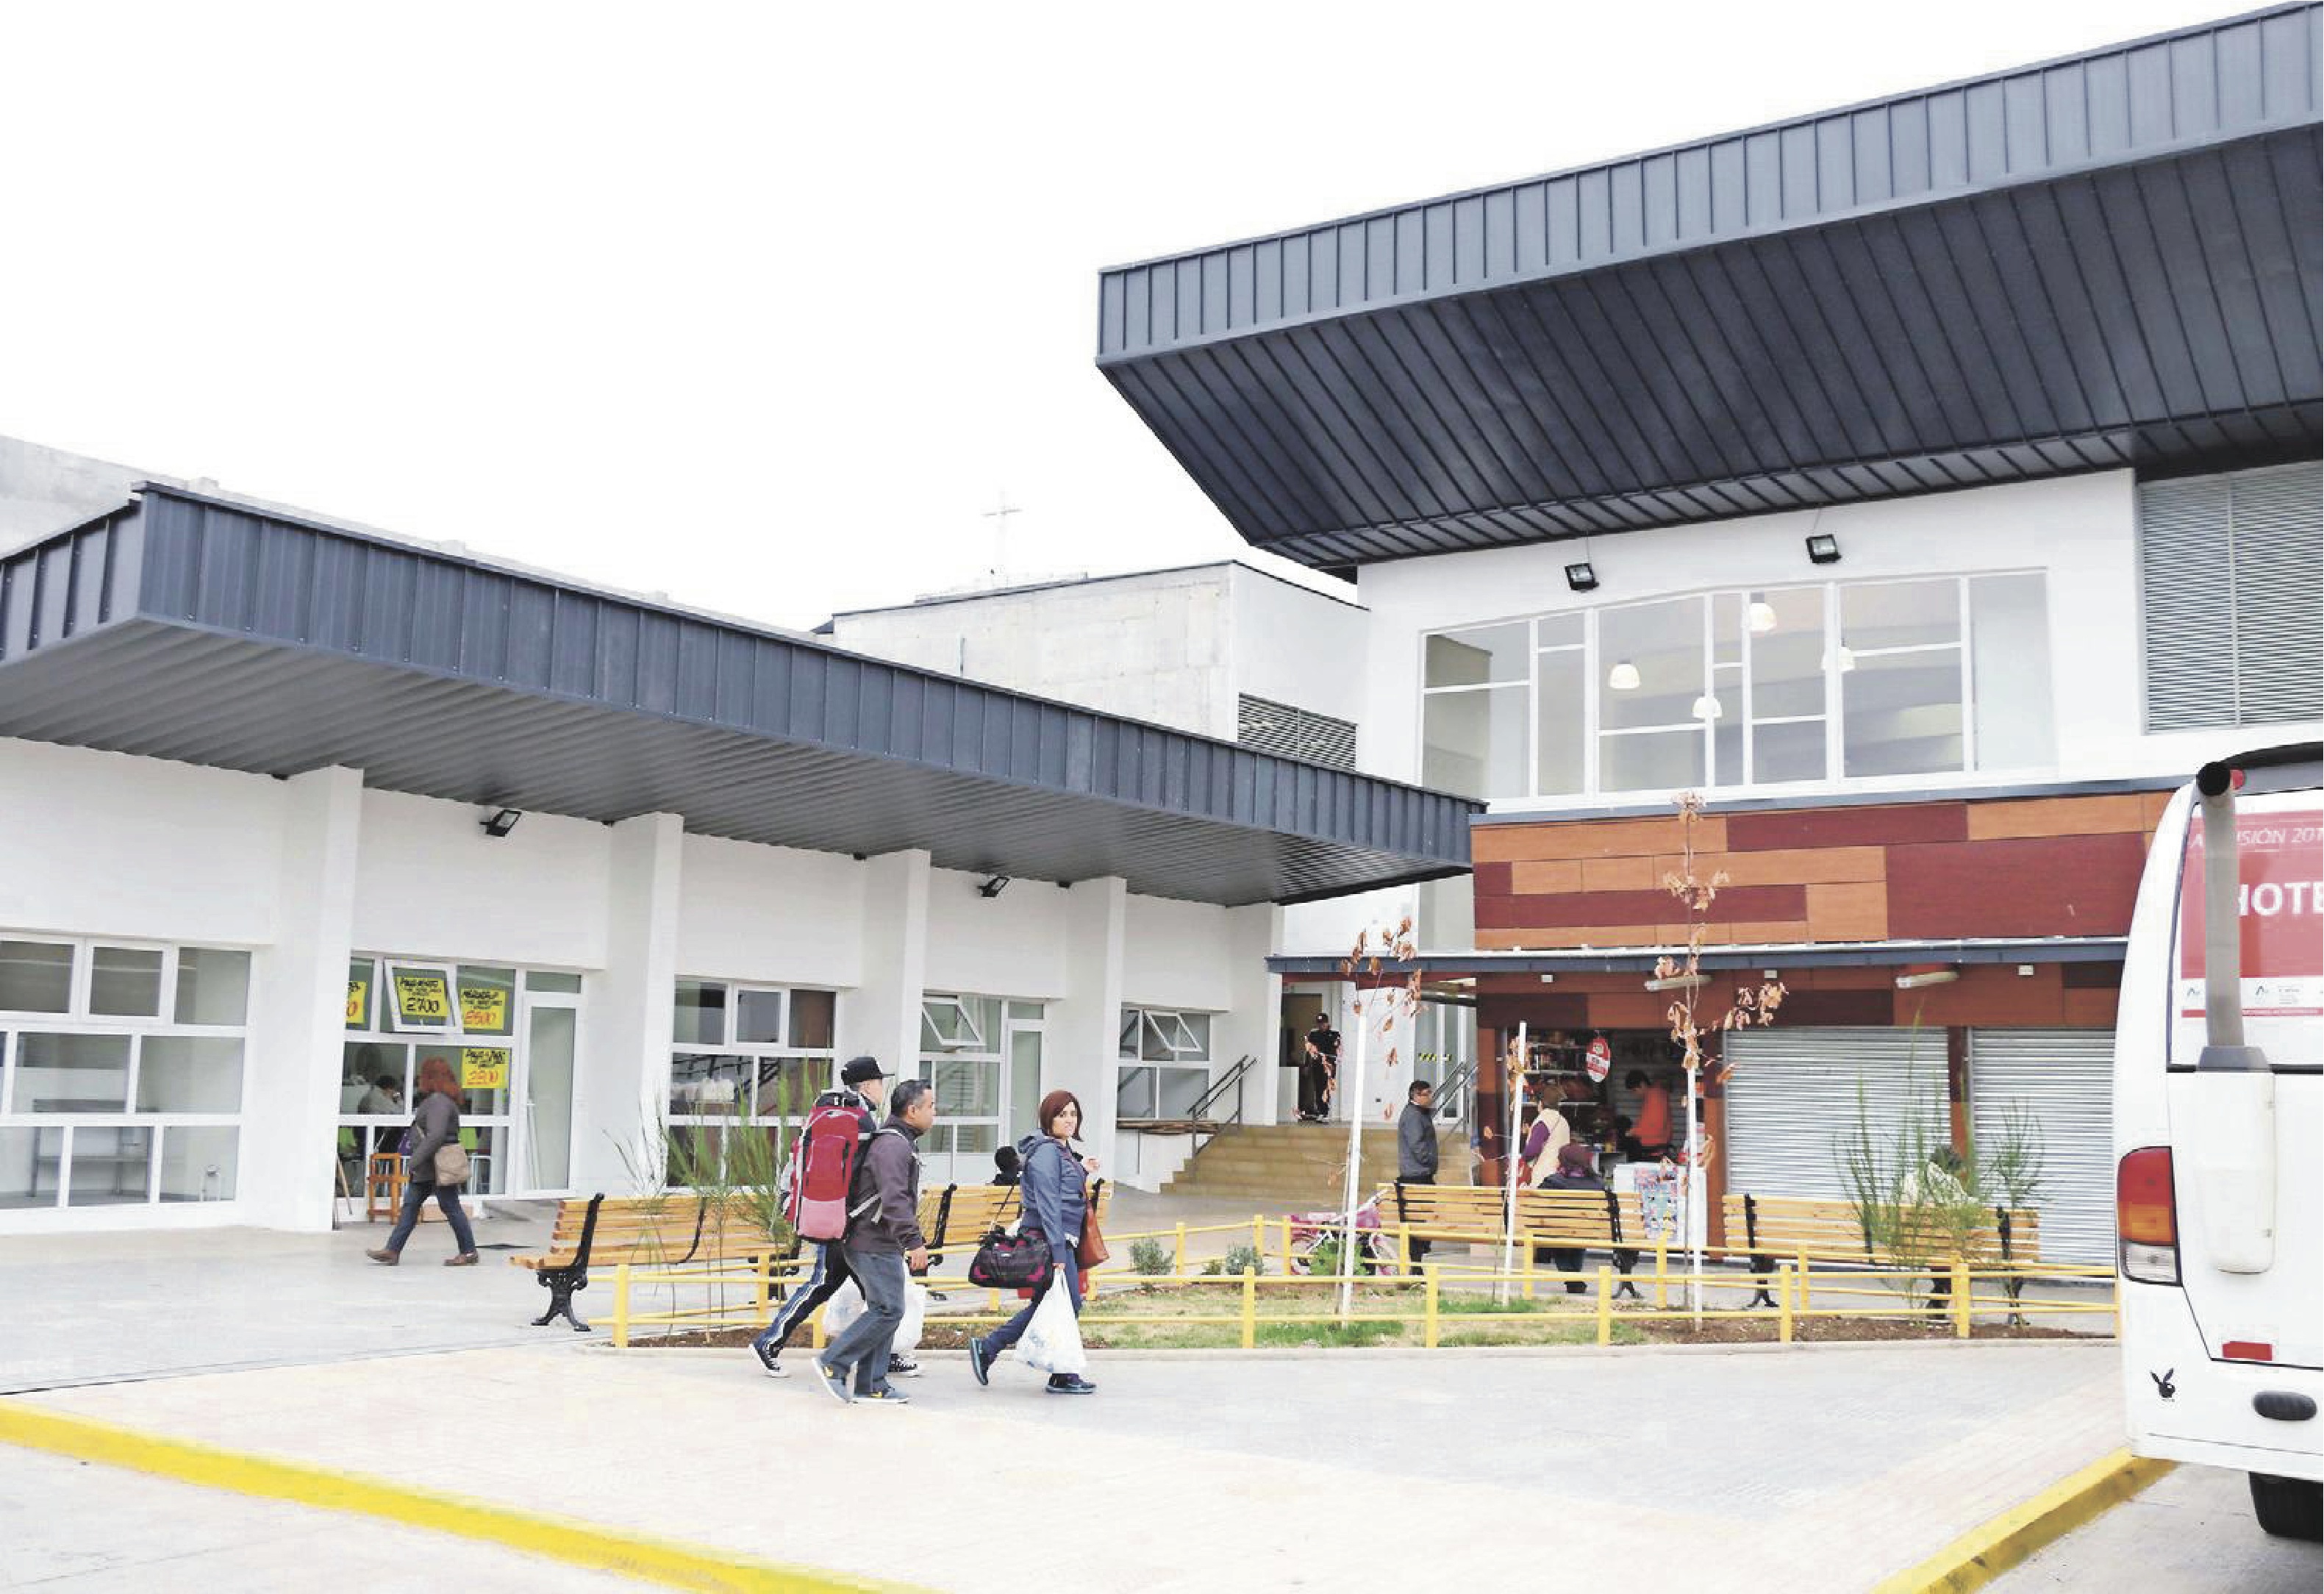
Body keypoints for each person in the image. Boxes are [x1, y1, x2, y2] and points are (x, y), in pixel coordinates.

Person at [751, 1056, 887, 1379]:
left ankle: (886, 1354)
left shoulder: (823, 1114)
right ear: (868, 1085)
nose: (883, 1088)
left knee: (866, 1294)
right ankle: (769, 1342)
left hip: (830, 1215)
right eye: (881, 1082)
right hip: (850, 1223)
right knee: (877, 1298)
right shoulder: (862, 1121)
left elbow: (796, 1160)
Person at [811, 1077, 935, 1407]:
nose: (934, 1113)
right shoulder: (893, 1146)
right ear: (912, 1111)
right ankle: (833, 1362)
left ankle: (872, 1385)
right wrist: (913, 1242)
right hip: (872, 1240)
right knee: (888, 1309)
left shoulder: (896, 1141)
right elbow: (894, 1199)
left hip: (877, 1239)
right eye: (931, 1106)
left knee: (885, 1308)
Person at [967, 1090, 1098, 1395]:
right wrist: (1058, 1252)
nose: (1069, 1120)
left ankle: (993, 1350)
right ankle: (1057, 1371)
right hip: (1050, 1239)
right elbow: (1049, 1203)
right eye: (1062, 1115)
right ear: (1048, 1118)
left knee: (1051, 1303)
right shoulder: (1047, 1152)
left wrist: (1083, 1170)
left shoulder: (1059, 1150)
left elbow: (1061, 1186)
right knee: (1069, 1302)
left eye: (1073, 1114)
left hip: (1059, 1238)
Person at [365, 1055, 477, 1267]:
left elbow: (436, 1135)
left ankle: (469, 1252)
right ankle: (393, 1250)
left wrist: (414, 1161)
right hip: (429, 1166)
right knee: (411, 1206)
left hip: (436, 1165)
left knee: (450, 1207)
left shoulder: (438, 1102)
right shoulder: (441, 1100)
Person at [1539, 1142, 1605, 1293]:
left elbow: (1538, 1205)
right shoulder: (1598, 1184)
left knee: (1555, 1232)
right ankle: (1574, 1279)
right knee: (1578, 1233)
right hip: (1590, 1231)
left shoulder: (1553, 1182)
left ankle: (1572, 1278)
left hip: (1558, 1230)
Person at [1396, 1081, 1438, 1265]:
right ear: (1416, 1095)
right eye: (1427, 1094)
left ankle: (1419, 1247)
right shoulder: (1414, 1116)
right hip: (1417, 1173)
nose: (1431, 1097)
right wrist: (1428, 1161)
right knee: (1419, 1213)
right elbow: (1417, 1144)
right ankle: (1417, 1249)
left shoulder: (1418, 1113)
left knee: (1421, 1212)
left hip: (1417, 1171)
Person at [1300, 1012, 1340, 1122]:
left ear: (1327, 1023)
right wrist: (1307, 1065)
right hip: (1317, 1065)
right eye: (1319, 1024)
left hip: (1329, 1066)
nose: (1321, 1026)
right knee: (1318, 1088)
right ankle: (1321, 1112)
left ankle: (1325, 1113)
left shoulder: (1334, 1034)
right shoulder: (1314, 1034)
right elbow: (1308, 1051)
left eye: (1323, 1023)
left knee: (1326, 1088)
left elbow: (1337, 1049)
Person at [1625, 1071, 1673, 1158]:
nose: (1635, 1094)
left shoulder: (1655, 1097)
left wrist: (1634, 1132)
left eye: (1635, 1090)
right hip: (1653, 1150)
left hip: (1656, 1152)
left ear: (1642, 1084)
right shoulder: (1651, 1096)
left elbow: (1658, 1128)